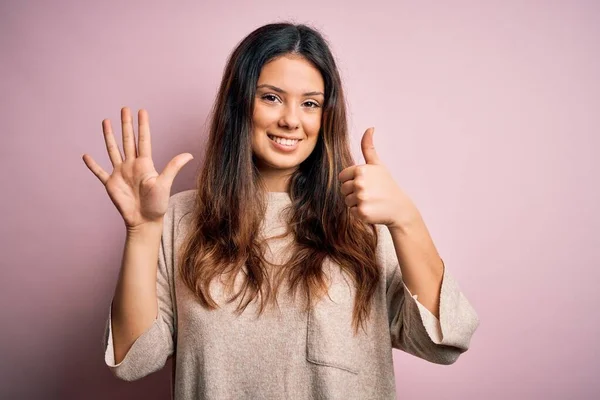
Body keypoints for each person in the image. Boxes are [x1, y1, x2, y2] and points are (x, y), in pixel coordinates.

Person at [82, 22, 479, 400]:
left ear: (325, 117)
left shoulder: (366, 220)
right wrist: (142, 230)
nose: (291, 120)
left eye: (310, 103)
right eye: (271, 97)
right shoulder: (177, 220)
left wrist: (406, 219)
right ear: (240, 105)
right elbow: (133, 361)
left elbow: (444, 342)